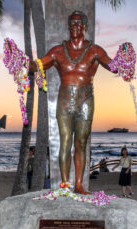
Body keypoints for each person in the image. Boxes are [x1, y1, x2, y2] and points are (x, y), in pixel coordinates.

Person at [25, 11, 122, 195]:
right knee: (65, 142)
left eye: (79, 23)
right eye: (72, 23)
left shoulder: (94, 50)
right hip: (64, 100)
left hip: (85, 99)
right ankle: (64, 185)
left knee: (81, 143)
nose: (75, 26)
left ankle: (78, 184)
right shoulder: (58, 51)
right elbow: (38, 65)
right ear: (69, 26)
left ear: (85, 26)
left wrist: (125, 58)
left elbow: (114, 67)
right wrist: (21, 62)